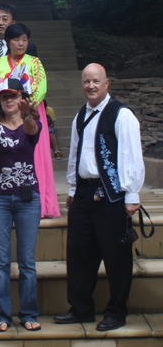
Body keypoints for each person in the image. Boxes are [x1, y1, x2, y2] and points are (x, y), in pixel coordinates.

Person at [54, 63, 145, 331]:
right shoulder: (81, 114)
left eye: (96, 81)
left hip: (113, 195)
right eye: (86, 82)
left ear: (106, 84)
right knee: (79, 253)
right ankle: (81, 308)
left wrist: (132, 194)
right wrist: (72, 188)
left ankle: (116, 312)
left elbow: (131, 154)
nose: (90, 86)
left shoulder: (121, 114)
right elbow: (74, 152)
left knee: (116, 254)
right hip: (83, 193)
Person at [0, 78, 42, 333]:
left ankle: (28, 313)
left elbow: (31, 132)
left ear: (22, 99)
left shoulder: (31, 123)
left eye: (13, 96)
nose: (9, 101)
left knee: (27, 261)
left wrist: (26, 115)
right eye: (4, 98)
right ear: (0, 102)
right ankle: (1, 315)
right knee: (1, 261)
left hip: (28, 199)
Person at [0, 23, 60, 218]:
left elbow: (41, 86)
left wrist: (28, 105)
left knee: (35, 153)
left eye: (24, 39)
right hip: (5, 111)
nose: (20, 43)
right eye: (16, 39)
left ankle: (41, 203)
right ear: (7, 42)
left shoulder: (34, 62)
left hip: (30, 110)